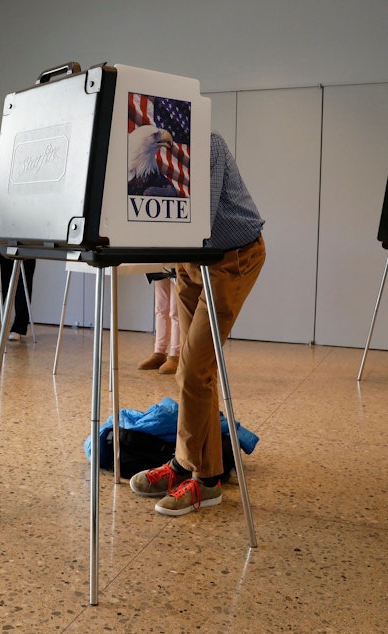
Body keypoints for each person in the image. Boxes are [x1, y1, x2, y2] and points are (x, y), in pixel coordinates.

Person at [129, 131, 266, 516]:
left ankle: (206, 483)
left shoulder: (207, 144)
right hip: (190, 260)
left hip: (231, 258)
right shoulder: (146, 151)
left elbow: (194, 217)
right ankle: (184, 465)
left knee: (192, 371)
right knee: (197, 374)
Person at [138, 270, 180, 375]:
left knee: (176, 311)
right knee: (161, 308)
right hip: (160, 259)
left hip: (179, 261)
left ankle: (176, 356)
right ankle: (159, 353)